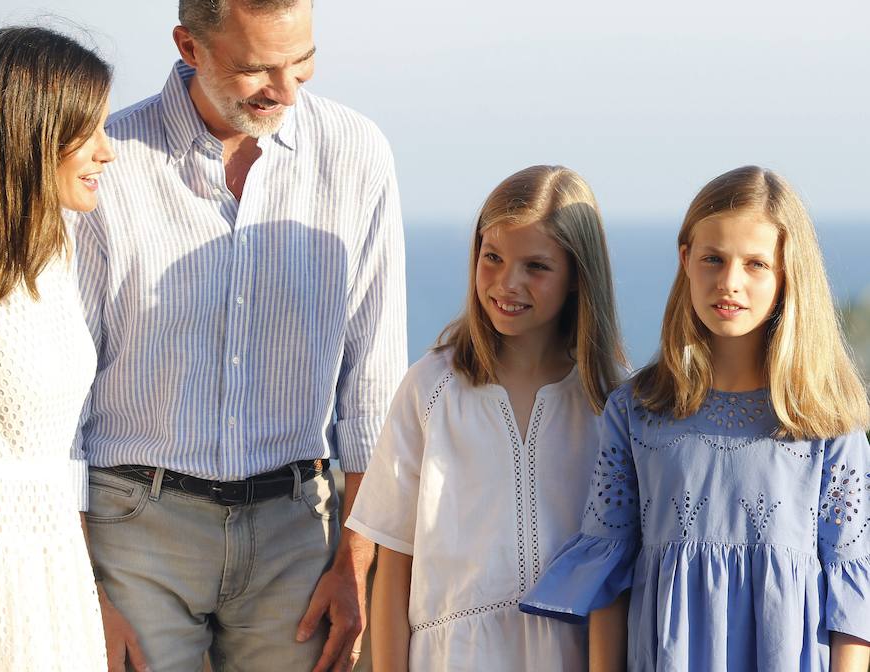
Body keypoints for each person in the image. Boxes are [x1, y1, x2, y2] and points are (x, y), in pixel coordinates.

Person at [72, 0, 406, 670]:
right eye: (258, 69)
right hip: (134, 527)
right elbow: (63, 394)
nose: (285, 91)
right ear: (189, 48)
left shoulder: (356, 152)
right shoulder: (106, 161)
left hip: (295, 530)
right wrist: (86, 592)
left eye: (302, 64)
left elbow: (373, 378)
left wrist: (354, 560)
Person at [520, 165, 870, 671]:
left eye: (755, 264)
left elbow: (852, 594)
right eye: (713, 258)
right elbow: (608, 575)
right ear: (685, 259)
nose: (730, 282)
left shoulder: (827, 423)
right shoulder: (637, 411)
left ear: (788, 272)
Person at [345, 165, 627, 670]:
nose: (506, 282)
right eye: (492, 257)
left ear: (577, 276)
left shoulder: (612, 403)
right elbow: (393, 563)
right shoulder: (430, 388)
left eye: (536, 267)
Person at [0, 25, 115, 672]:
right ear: (32, 132)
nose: (107, 154)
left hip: (50, 560)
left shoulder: (59, 248)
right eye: (89, 133)